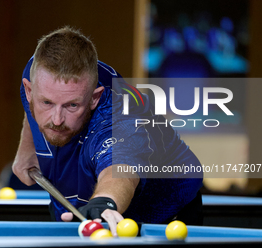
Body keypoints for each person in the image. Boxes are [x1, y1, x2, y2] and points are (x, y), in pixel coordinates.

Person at [12, 26, 203, 236]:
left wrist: (104, 203)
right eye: (47, 102)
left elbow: (121, 169)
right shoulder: (37, 73)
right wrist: (27, 148)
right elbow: (31, 105)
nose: (57, 120)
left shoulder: (117, 116)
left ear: (94, 98)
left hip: (163, 210)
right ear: (30, 90)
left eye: (72, 106)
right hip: (78, 209)